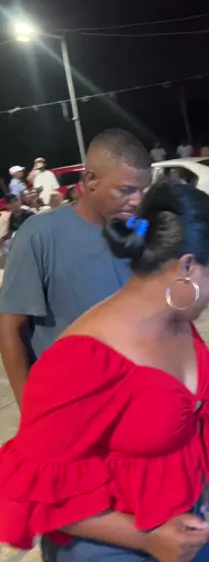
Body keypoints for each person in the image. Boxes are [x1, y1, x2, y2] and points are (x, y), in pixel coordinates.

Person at [0, 181, 209, 562]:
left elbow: (187, 410)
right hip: (108, 553)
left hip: (182, 521)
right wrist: (146, 537)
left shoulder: (177, 321)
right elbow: (22, 491)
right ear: (187, 267)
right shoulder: (80, 362)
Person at [0, 128, 151, 408]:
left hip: (135, 399)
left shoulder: (138, 234)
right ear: (91, 180)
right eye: (126, 190)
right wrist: (31, 411)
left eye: (143, 189)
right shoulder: (39, 235)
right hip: (71, 406)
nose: (138, 200)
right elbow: (10, 329)